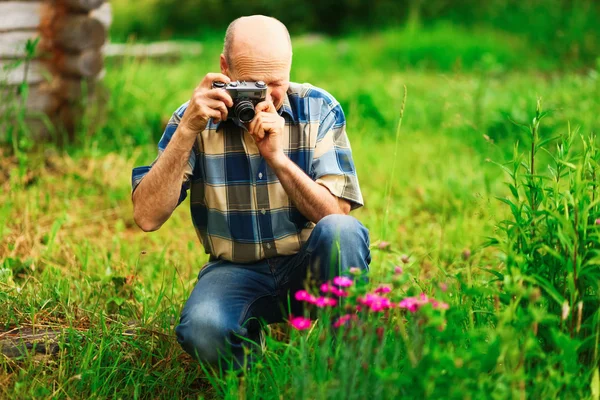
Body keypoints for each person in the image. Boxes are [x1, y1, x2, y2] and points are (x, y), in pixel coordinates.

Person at [131, 15, 370, 371]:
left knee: (342, 233)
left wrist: (277, 159)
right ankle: (250, 367)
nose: (265, 97)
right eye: (252, 83)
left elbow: (336, 216)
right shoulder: (193, 118)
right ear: (224, 68)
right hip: (235, 270)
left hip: (307, 261)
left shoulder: (318, 108)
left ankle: (344, 363)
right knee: (203, 329)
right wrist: (186, 132)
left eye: (276, 83)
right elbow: (146, 216)